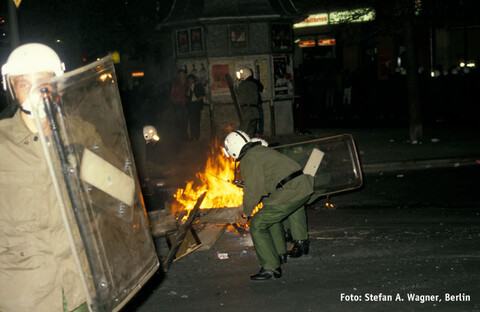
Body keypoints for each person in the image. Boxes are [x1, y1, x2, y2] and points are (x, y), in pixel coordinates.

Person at [0, 43, 87, 311]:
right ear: (11, 88)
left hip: (82, 289)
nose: (36, 93)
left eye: (44, 83)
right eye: (25, 84)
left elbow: (118, 191)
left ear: (59, 85)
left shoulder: (81, 134)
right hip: (25, 295)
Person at [223, 130, 313, 280]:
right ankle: (279, 254)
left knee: (258, 224)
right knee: (269, 215)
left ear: (232, 148)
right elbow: (268, 178)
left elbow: (253, 190)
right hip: (302, 185)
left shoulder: (249, 159)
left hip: (291, 190)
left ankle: (271, 267)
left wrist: (246, 214)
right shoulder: (260, 150)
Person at [236, 68, 260, 137]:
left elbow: (241, 99)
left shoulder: (244, 85)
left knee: (243, 132)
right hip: (254, 112)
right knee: (251, 132)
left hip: (248, 112)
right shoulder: (254, 84)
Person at [170, 69, 189, 140]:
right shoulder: (176, 84)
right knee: (179, 120)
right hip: (178, 104)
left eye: (182, 74)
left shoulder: (187, 83)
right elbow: (172, 94)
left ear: (184, 75)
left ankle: (185, 136)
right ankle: (180, 137)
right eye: (180, 74)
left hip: (185, 104)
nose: (181, 75)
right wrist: (175, 101)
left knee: (185, 120)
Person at [186, 74, 205, 140]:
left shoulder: (198, 85)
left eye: (191, 79)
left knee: (197, 121)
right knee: (191, 121)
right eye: (189, 80)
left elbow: (203, 93)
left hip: (197, 104)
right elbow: (187, 95)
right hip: (191, 105)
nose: (190, 81)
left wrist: (198, 99)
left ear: (193, 79)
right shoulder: (188, 86)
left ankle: (197, 136)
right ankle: (192, 136)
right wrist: (189, 87)